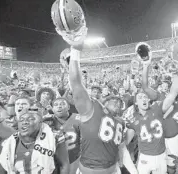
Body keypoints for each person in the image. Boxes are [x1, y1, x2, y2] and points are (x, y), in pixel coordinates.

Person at [58, 32, 137, 174]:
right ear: (104, 104)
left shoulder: (120, 121)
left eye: (119, 103)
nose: (117, 102)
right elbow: (76, 85)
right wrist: (75, 51)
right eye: (113, 100)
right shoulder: (92, 110)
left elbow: (121, 147)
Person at [0, 104, 70, 174]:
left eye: (31, 119)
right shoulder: (8, 143)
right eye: (21, 120)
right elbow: (2, 168)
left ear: (40, 124)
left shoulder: (54, 138)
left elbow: (63, 165)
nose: (25, 122)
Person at [43, 97, 82, 174]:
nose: (59, 106)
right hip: (53, 160)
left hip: (74, 159)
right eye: (56, 105)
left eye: (62, 104)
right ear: (52, 109)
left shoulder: (78, 119)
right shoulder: (46, 121)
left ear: (68, 107)